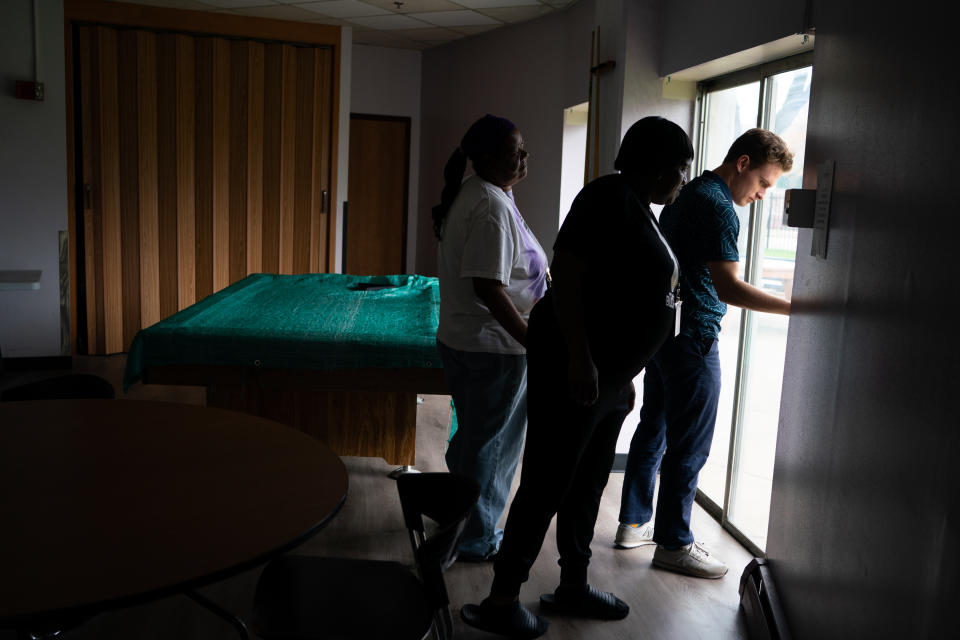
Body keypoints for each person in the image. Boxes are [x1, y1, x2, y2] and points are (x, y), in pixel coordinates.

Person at [460, 116, 694, 639]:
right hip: (575, 371)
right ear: (656, 166)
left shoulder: (641, 209)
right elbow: (567, 277)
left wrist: (622, 374)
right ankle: (501, 599)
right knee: (547, 481)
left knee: (587, 483)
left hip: (605, 377)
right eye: (681, 168)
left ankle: (573, 585)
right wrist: (581, 361)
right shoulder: (605, 198)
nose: (683, 178)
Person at [616, 128, 793, 579]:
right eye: (764, 183)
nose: (763, 195)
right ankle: (674, 543)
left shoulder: (688, 191)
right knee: (689, 444)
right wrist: (796, 307)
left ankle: (633, 522)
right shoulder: (718, 205)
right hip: (693, 337)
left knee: (653, 427)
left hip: (662, 333)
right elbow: (729, 287)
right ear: (743, 164)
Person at [433, 114, 549, 562]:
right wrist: (530, 340)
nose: (524, 158)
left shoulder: (486, 195)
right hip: (493, 347)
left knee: (476, 441)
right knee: (493, 447)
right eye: (514, 151)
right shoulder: (491, 206)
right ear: (484, 159)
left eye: (523, 149)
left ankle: (456, 517)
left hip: (470, 341)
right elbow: (488, 285)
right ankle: (476, 537)